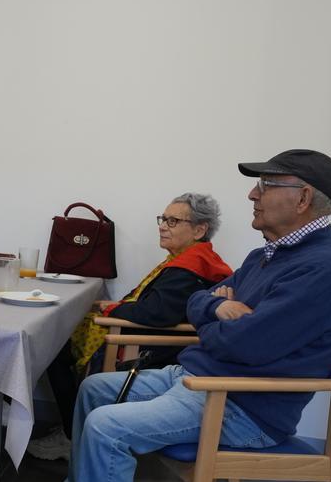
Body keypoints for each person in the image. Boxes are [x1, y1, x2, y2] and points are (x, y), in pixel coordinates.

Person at [23, 149, 331, 482]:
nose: (252, 193)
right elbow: (201, 302)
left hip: (241, 405)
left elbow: (248, 345)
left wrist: (216, 322)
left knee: (107, 427)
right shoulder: (269, 255)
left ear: (302, 197)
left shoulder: (323, 268)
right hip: (202, 377)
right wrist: (217, 310)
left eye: (265, 185)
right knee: (93, 389)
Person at [24, 193, 233, 461]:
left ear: (199, 230)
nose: (162, 226)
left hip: (153, 350)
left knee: (56, 345)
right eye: (163, 219)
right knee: (60, 334)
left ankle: (70, 434)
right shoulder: (192, 259)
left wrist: (110, 308)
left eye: (173, 220)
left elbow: (155, 312)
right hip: (151, 339)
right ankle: (63, 424)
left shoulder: (191, 267)